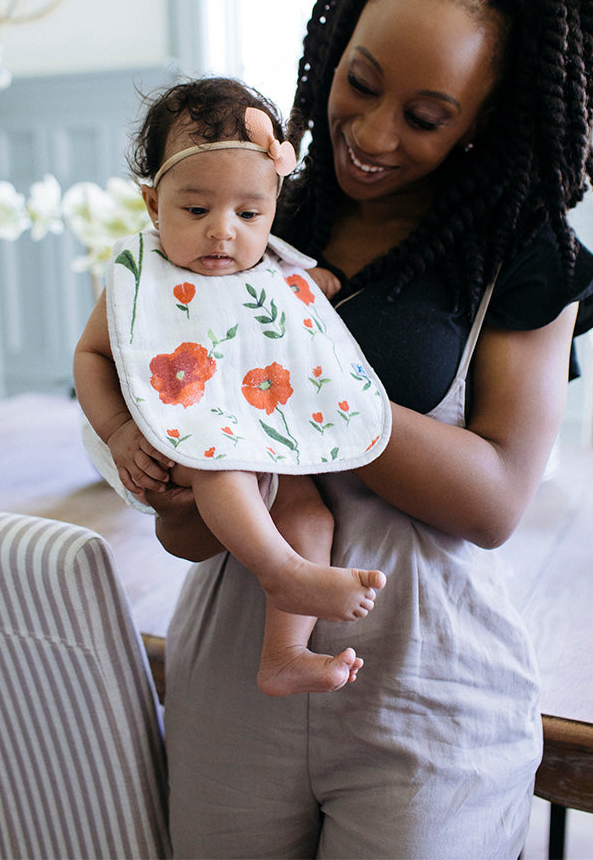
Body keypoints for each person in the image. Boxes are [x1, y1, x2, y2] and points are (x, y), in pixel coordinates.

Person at [148, 0, 593, 858]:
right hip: (234, 671)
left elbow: (492, 501)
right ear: (334, 39)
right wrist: (168, 468)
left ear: (483, 115)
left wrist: (299, 379)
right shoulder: (253, 214)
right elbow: (191, 532)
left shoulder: (521, 254)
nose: (370, 136)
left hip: (424, 694)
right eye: (358, 84)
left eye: (426, 114)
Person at [74, 77, 392, 698]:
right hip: (188, 443)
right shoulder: (142, 277)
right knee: (224, 469)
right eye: (196, 211)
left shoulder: (275, 269)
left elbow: (293, 304)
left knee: (308, 512)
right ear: (151, 204)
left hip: (258, 436)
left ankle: (285, 654)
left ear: (272, 208)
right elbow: (90, 354)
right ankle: (283, 573)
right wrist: (117, 432)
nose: (224, 231)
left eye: (249, 214)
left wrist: (311, 288)